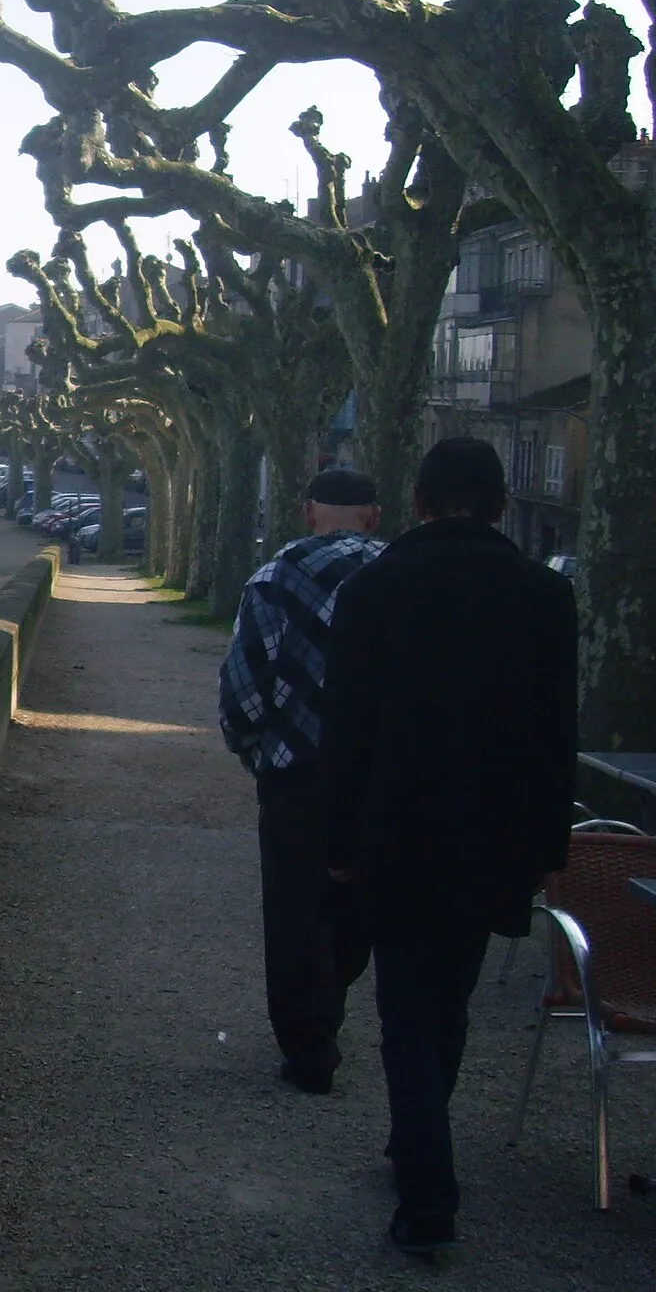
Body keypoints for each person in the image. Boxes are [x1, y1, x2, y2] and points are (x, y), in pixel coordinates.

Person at [322, 437, 577, 1256]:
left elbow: (345, 734)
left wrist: (337, 838)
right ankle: (416, 1146)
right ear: (501, 506)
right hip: (494, 840)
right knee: (449, 1004)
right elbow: (555, 738)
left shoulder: (373, 589)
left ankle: (428, 1194)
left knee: (404, 1013)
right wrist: (546, 846)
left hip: (396, 834)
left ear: (421, 503)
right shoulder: (544, 595)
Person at [219, 467, 384, 1095]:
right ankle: (330, 997)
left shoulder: (275, 578)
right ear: (374, 515)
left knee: (295, 909)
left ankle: (310, 1045)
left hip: (298, 775)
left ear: (306, 511)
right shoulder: (398, 577)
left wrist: (256, 752)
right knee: (356, 905)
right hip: (378, 777)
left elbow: (243, 688)